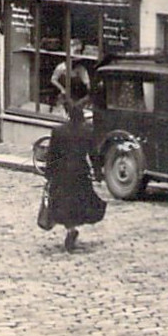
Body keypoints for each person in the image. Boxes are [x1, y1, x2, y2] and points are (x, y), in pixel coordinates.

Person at [43, 98, 107, 252]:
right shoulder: (87, 132)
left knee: (63, 202)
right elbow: (93, 154)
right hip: (79, 172)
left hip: (62, 172)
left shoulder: (58, 131)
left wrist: (49, 172)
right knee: (78, 201)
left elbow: (53, 154)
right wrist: (98, 171)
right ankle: (72, 229)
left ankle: (70, 229)